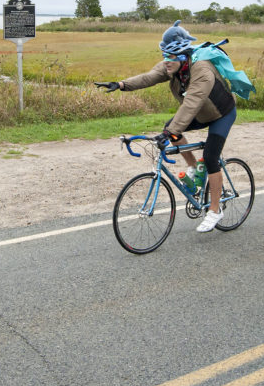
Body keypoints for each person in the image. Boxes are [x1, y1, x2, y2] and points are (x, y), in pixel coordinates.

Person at [95, 21, 237, 233]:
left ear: (183, 56)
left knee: (209, 157)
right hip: (199, 113)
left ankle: (215, 211)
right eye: (164, 56)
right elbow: (148, 77)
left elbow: (191, 104)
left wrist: (169, 133)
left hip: (221, 114)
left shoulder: (202, 71)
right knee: (171, 128)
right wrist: (121, 85)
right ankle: (192, 166)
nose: (166, 61)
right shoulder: (173, 67)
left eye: (171, 57)